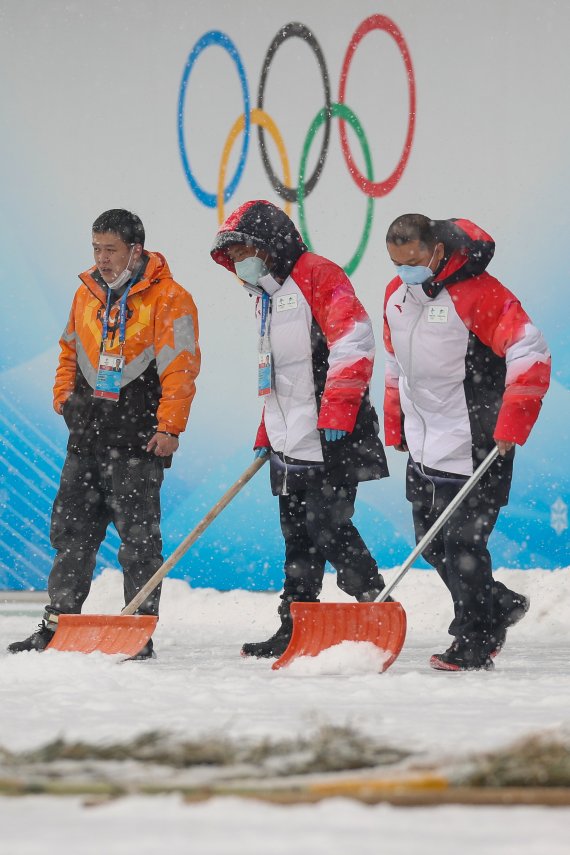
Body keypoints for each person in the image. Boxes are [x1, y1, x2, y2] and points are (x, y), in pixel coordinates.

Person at [9, 209, 201, 659]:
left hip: (138, 441)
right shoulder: (86, 293)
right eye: (96, 249)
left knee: (138, 542)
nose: (102, 258)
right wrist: (63, 400)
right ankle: (56, 624)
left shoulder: (171, 298)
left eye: (110, 249)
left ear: (136, 249)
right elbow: (67, 350)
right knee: (71, 535)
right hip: (87, 440)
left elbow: (182, 367)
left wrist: (170, 426)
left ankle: (138, 629)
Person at [211, 199, 390, 658]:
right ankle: (294, 622)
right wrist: (265, 431)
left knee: (327, 525)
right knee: (297, 536)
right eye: (229, 255)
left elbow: (354, 342)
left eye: (240, 249)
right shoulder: (266, 296)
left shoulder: (318, 274)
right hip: (289, 437)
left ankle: (376, 602)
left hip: (333, 432)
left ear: (268, 243)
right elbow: (279, 374)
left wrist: (337, 410)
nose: (235, 262)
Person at [383, 214, 550, 671]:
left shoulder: (480, 292)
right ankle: (497, 603)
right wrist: (395, 421)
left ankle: (475, 636)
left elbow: (530, 351)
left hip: (478, 441)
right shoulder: (395, 296)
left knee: (463, 546)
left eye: (414, 260)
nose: (405, 270)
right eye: (397, 262)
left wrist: (511, 423)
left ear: (437, 249)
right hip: (423, 444)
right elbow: (395, 361)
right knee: (432, 544)